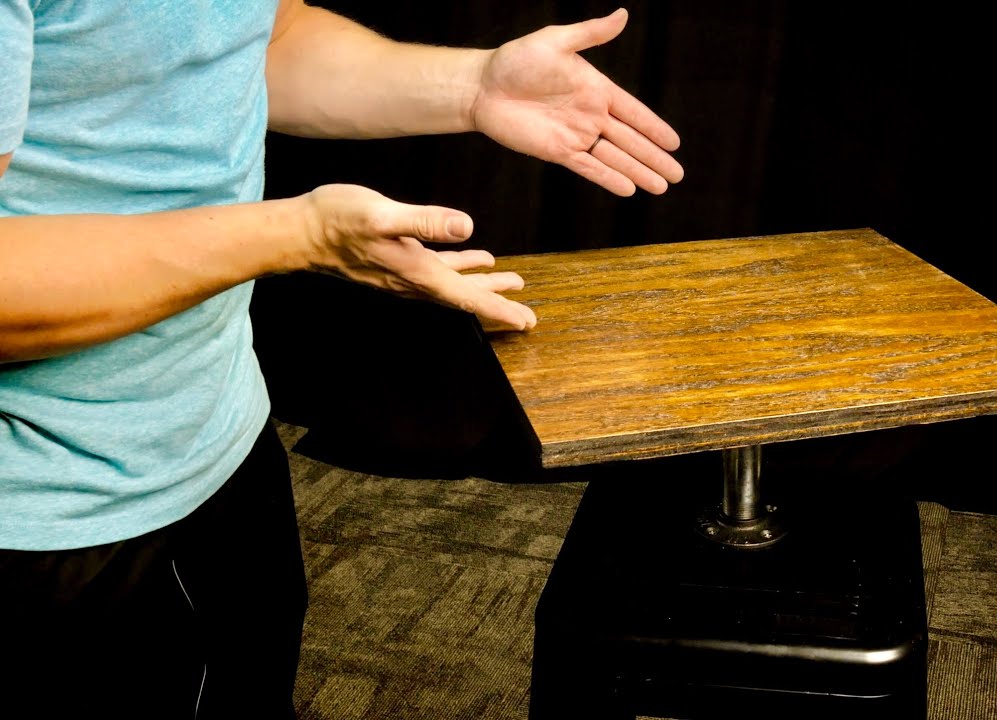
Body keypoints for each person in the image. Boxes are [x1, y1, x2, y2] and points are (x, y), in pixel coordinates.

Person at [0, 1, 683, 717]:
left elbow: (267, 35)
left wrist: (473, 85)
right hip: (40, 514)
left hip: (218, 436)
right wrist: (297, 236)